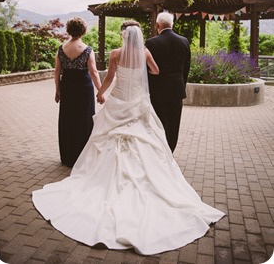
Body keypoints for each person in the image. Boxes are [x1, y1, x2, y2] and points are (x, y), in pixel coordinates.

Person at [32, 20, 224, 255]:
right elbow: (155, 71)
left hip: (120, 101)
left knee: (105, 136)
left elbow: (110, 77)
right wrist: (143, 73)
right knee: (148, 136)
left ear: (124, 36)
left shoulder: (115, 53)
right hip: (138, 101)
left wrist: (101, 93)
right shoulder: (145, 52)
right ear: (139, 37)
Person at [55, 17, 102, 168]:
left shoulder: (61, 49)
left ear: (69, 30)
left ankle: (68, 156)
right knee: (84, 119)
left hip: (67, 86)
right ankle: (82, 156)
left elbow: (57, 72)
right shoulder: (87, 49)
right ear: (83, 30)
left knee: (68, 119)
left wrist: (57, 90)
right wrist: (100, 91)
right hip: (83, 88)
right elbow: (93, 72)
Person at [145, 12, 191, 152]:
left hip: (157, 90)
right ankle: (170, 151)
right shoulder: (184, 41)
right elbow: (186, 67)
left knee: (159, 123)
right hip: (177, 89)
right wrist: (182, 84)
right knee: (174, 123)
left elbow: (147, 69)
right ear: (172, 24)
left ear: (157, 25)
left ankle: (160, 152)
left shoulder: (152, 43)